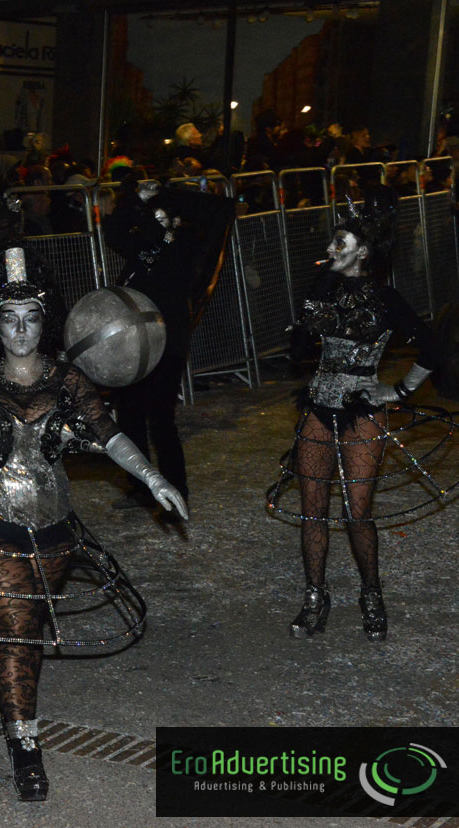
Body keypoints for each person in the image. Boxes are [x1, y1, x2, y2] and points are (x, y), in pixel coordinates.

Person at [0, 245, 185, 802]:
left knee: (26, 635)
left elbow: (108, 433)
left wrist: (153, 478)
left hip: (53, 527)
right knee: (18, 630)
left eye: (32, 318)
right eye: (11, 318)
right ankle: (25, 746)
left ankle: (19, 726)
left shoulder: (69, 380)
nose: (22, 330)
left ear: (44, 322)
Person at [271, 190, 439, 642]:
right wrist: (308, 316)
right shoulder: (321, 288)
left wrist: (397, 390)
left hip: (363, 411)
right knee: (312, 512)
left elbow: (437, 347)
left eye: (339, 243)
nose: (330, 249)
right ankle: (314, 596)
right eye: (331, 243)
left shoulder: (386, 298)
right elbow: (298, 356)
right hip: (318, 408)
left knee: (357, 512)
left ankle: (371, 594)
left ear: (362, 251)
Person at [103, 172, 235, 515]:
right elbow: (115, 233)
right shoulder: (145, 248)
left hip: (168, 341)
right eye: (153, 217)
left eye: (163, 218)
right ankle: (141, 484)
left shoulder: (184, 247)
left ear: (175, 220)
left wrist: (151, 208)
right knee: (129, 413)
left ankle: (177, 488)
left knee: (161, 418)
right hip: (136, 341)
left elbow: (162, 239)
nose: (154, 222)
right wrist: (134, 200)